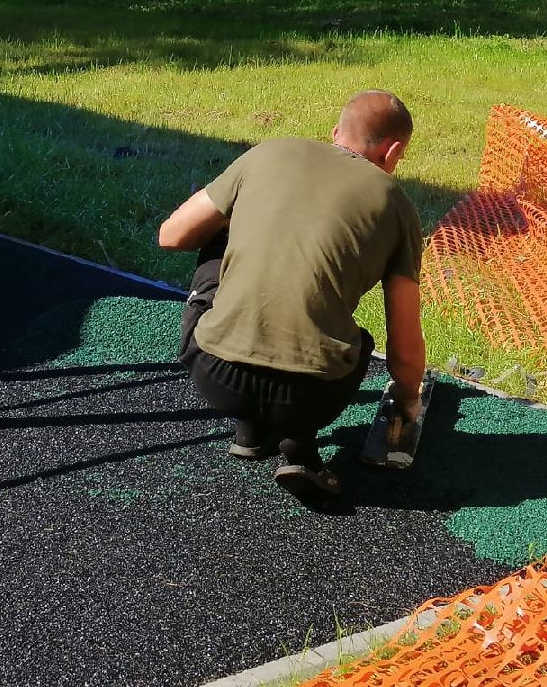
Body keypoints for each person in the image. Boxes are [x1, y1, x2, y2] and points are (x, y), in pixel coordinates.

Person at [159, 89, 427, 502]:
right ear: (392, 152)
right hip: (312, 398)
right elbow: (405, 348)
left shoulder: (268, 153)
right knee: (359, 342)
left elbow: (171, 235)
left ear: (336, 132)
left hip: (214, 375)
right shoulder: (396, 205)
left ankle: (250, 429)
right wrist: (408, 403)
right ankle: (298, 443)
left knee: (216, 238)